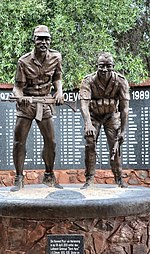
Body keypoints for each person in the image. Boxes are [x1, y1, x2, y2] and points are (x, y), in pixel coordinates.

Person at [11, 25, 64, 191]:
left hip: (45, 102)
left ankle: (49, 176)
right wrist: (21, 98)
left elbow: (57, 78)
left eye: (46, 38)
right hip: (27, 104)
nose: (43, 42)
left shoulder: (56, 57)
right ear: (34, 40)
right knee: (19, 141)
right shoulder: (23, 61)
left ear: (50, 40)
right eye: (40, 38)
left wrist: (59, 92)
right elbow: (17, 87)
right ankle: (19, 178)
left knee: (51, 141)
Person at [80, 52, 130, 189]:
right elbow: (84, 104)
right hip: (94, 116)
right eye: (101, 66)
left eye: (108, 66)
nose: (104, 69)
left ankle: (119, 178)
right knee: (90, 143)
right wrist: (88, 123)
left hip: (111, 116)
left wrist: (123, 131)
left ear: (113, 66)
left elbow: (124, 109)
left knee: (115, 145)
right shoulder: (88, 80)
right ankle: (89, 179)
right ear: (97, 66)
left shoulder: (120, 81)